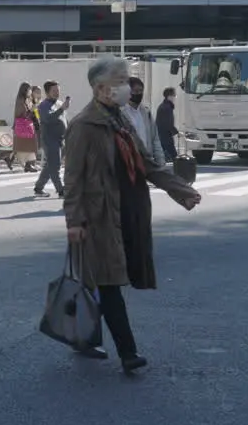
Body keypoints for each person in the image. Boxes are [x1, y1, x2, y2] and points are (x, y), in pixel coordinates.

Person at [64, 57, 201, 372]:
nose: (128, 87)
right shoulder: (84, 125)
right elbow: (73, 179)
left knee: (95, 280)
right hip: (98, 216)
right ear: (101, 88)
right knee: (108, 284)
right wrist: (74, 222)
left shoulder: (119, 120)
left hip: (127, 211)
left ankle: (82, 338)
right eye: (121, 81)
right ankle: (128, 353)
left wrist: (180, 189)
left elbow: (147, 164)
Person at [33, 81, 68, 198]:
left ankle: (38, 188)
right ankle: (61, 191)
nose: (57, 93)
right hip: (49, 139)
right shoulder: (43, 106)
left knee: (50, 166)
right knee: (55, 166)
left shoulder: (59, 103)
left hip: (61, 139)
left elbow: (63, 120)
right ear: (47, 92)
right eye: (54, 91)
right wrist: (62, 109)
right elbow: (48, 119)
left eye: (58, 90)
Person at [122, 76, 164, 168]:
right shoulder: (121, 113)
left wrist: (160, 163)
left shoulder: (146, 113)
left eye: (141, 91)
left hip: (146, 162)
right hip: (129, 163)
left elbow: (155, 140)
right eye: (136, 91)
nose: (139, 94)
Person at [7, 82, 38, 172]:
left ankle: (10, 158)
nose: (30, 91)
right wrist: (31, 110)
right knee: (25, 146)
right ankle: (28, 164)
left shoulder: (28, 100)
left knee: (22, 146)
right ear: (25, 90)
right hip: (23, 126)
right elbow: (22, 115)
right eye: (29, 90)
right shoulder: (20, 101)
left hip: (27, 126)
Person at [155, 87, 178, 162]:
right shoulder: (167, 107)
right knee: (174, 156)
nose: (175, 97)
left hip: (162, 135)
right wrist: (176, 132)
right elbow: (168, 123)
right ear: (169, 96)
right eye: (174, 95)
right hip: (165, 136)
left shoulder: (164, 106)